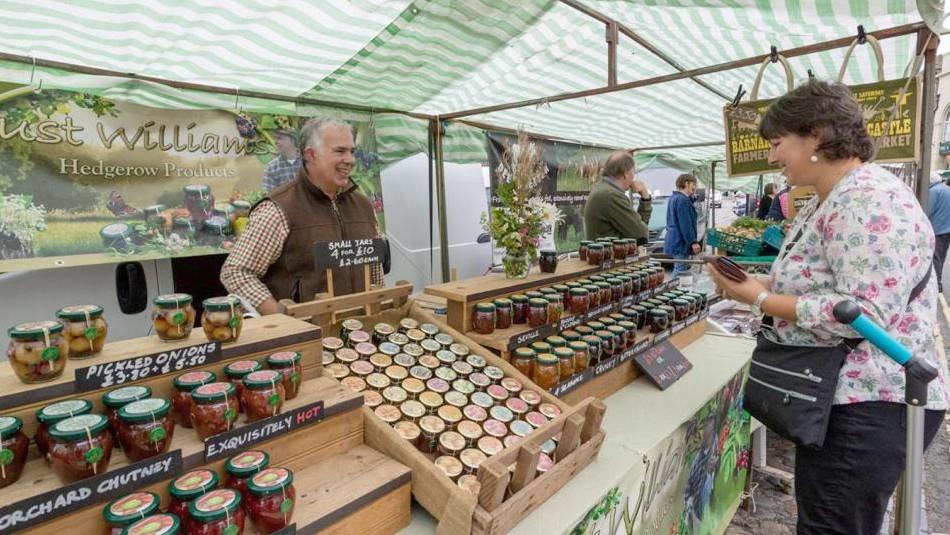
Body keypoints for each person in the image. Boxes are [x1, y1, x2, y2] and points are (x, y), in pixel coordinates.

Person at [707, 80, 949, 535]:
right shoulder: (833, 199)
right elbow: (821, 284)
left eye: (779, 144)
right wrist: (750, 283)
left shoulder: (867, 198)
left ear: (815, 135)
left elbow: (864, 311)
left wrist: (758, 298)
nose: (774, 157)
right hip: (844, 397)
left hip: (871, 402)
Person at [222, 117, 383, 315]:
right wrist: (281, 316)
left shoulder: (364, 206)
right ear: (311, 155)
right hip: (308, 337)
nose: (350, 160)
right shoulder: (279, 208)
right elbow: (236, 272)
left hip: (361, 333)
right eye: (340, 151)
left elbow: (375, 270)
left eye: (352, 151)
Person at [583, 151, 652, 243]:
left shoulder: (602, 188)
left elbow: (639, 230)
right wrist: (645, 197)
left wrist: (645, 200)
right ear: (626, 174)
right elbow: (641, 235)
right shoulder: (611, 195)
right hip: (611, 255)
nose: (633, 178)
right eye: (633, 173)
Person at [663, 173, 700, 277]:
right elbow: (685, 224)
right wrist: (693, 242)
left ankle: (673, 288)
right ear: (686, 183)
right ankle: (670, 289)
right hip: (680, 241)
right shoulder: (682, 200)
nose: (695, 187)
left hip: (674, 240)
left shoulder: (674, 198)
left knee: (679, 267)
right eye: (693, 184)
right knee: (679, 269)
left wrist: (691, 199)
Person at [927, 172, 950, 293]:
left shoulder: (933, 192)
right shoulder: (947, 189)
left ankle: (937, 283)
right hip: (947, 229)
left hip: (937, 229)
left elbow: (928, 211)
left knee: (935, 258)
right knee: (941, 256)